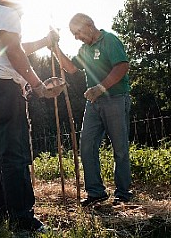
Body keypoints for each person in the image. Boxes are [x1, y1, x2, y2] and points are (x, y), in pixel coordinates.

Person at [0, 0, 59, 233]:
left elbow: (14, 47)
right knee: (14, 156)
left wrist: (44, 41)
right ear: (16, 5)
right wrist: (38, 85)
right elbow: (14, 52)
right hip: (4, 89)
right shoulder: (9, 14)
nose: (22, 15)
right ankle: (22, 221)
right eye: (22, 11)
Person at [51, 13, 133, 206]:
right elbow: (70, 67)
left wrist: (101, 87)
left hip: (115, 98)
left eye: (77, 32)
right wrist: (55, 47)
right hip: (94, 103)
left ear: (89, 25)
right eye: (73, 34)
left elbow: (122, 67)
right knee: (87, 145)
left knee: (119, 148)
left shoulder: (109, 40)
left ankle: (123, 192)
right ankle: (96, 192)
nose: (76, 37)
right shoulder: (84, 49)